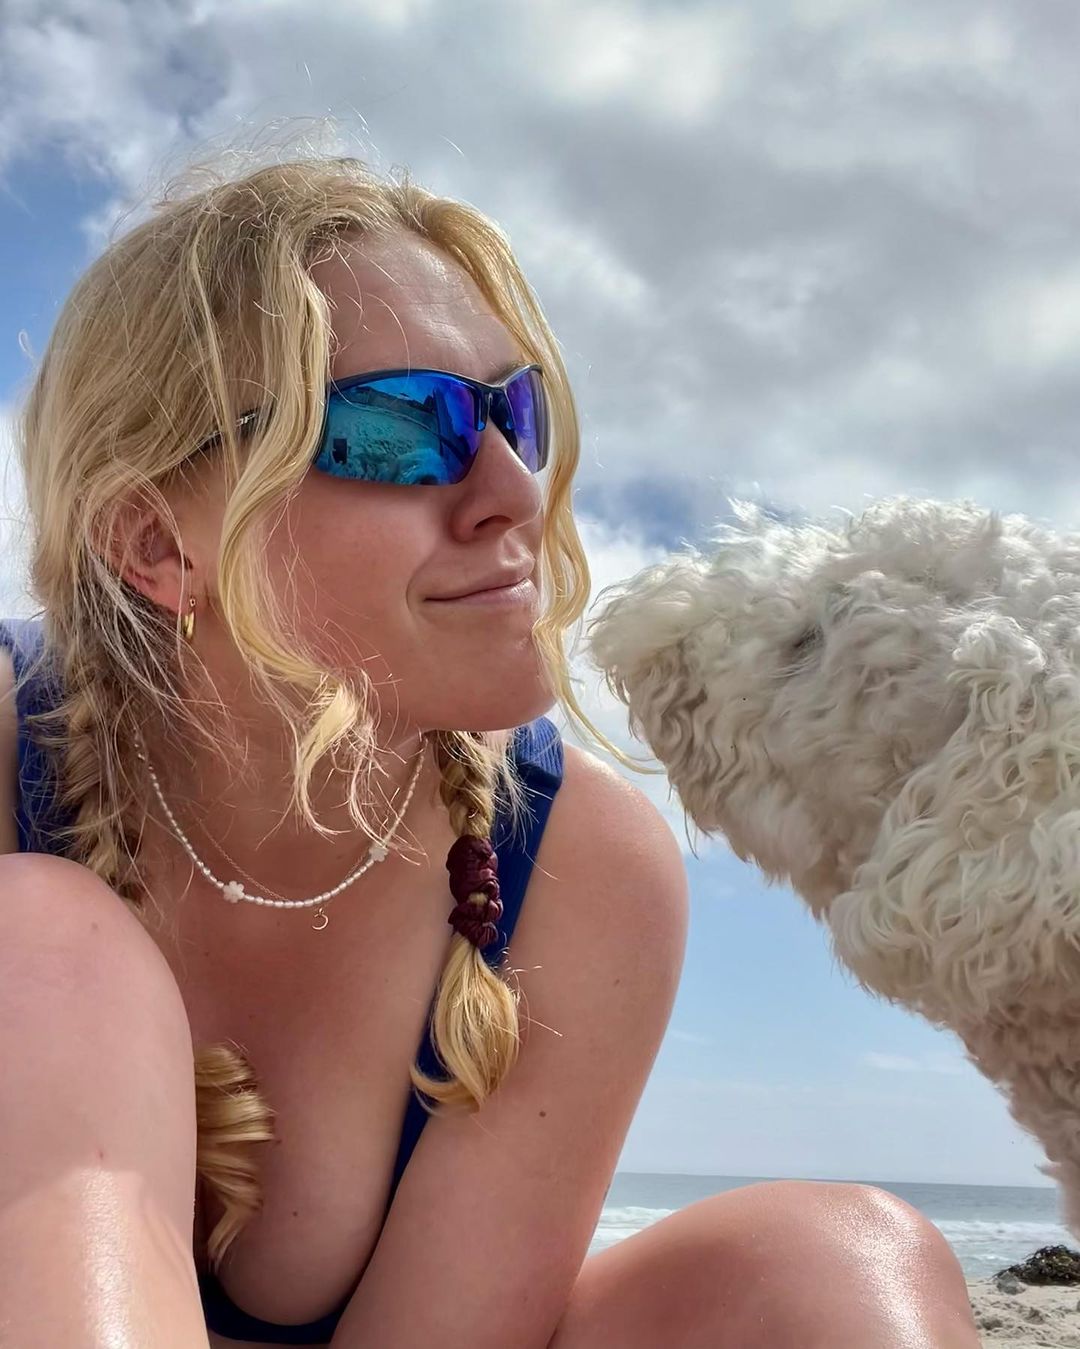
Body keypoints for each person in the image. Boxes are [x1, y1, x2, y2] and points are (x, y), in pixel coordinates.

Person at [0, 154, 981, 1349]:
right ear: (157, 541)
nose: (514, 490)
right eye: (399, 429)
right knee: (44, 945)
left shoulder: (574, 864)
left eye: (516, 412)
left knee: (836, 1268)